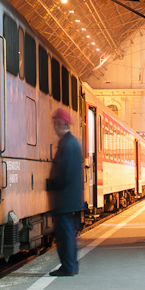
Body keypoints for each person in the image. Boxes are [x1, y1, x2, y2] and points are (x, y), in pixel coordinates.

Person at [47, 108, 85, 277]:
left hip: (65, 198)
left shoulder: (67, 143)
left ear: (61, 123)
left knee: (65, 234)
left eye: (55, 124)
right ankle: (71, 265)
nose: (54, 127)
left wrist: (52, 184)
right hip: (71, 197)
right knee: (68, 232)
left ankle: (68, 266)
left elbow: (65, 172)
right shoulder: (72, 142)